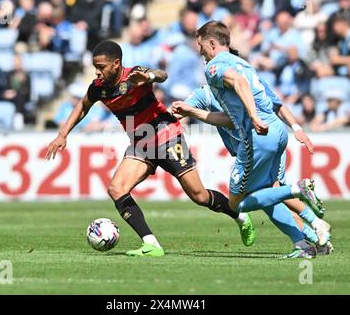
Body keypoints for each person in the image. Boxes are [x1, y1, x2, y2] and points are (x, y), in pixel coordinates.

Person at [46, 40, 256, 257]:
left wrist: (150, 77)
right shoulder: (98, 89)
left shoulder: (135, 75)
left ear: (116, 64)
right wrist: (62, 134)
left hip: (167, 136)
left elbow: (162, 75)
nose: (97, 72)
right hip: (140, 143)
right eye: (95, 67)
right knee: (117, 189)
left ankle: (239, 215)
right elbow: (82, 105)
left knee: (200, 196)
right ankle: (151, 243)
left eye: (101, 67)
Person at [194, 21, 325, 258]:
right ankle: (306, 240)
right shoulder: (246, 65)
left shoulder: (214, 67)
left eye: (201, 44)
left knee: (238, 205)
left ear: (212, 43)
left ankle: (297, 190)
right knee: (266, 193)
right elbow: (276, 102)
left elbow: (238, 83)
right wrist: (296, 127)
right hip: (278, 132)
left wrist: (253, 116)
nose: (199, 49)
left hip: (257, 136)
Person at [171, 85, 333, 254]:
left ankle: (309, 218)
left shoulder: (224, 82)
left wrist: (189, 112)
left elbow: (230, 120)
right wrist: (297, 128)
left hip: (257, 141)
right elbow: (278, 104)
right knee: (270, 195)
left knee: (249, 200)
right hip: (274, 134)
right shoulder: (247, 79)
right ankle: (310, 240)